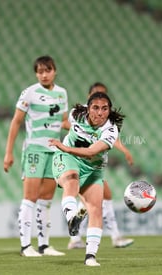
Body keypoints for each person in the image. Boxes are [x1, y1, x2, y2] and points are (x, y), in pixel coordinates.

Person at [50, 92, 125, 266]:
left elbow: (92, 152)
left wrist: (66, 147)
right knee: (72, 181)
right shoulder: (76, 113)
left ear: (109, 110)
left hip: (93, 168)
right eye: (96, 108)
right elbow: (68, 124)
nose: (100, 113)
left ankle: (90, 256)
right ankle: (71, 218)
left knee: (95, 209)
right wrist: (64, 146)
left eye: (105, 109)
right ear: (88, 108)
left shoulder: (111, 130)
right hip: (68, 159)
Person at [3, 56, 68, 257]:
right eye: (40, 71)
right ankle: (25, 246)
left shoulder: (61, 93)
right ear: (36, 73)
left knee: (46, 199)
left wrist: (82, 129)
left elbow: (64, 122)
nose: (44, 74)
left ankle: (44, 245)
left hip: (54, 151)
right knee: (30, 197)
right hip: (34, 150)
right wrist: (8, 152)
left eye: (47, 70)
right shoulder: (29, 93)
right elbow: (15, 122)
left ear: (54, 71)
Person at [67, 82, 134, 249]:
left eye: (104, 96)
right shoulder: (79, 113)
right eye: (96, 94)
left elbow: (113, 137)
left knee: (99, 198)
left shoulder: (106, 119)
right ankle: (113, 236)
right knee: (100, 197)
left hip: (94, 162)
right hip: (80, 162)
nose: (100, 100)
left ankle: (77, 237)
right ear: (89, 98)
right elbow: (67, 123)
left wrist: (124, 150)